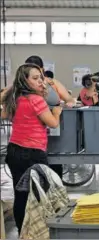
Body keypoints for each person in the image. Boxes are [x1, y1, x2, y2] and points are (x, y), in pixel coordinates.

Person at [1, 63, 62, 235]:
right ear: (24, 81)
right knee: (39, 196)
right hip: (33, 154)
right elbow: (53, 123)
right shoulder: (36, 100)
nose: (39, 82)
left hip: (14, 152)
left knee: (20, 195)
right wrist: (57, 112)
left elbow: (4, 114)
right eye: (35, 78)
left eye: (40, 78)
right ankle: (38, 233)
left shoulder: (15, 99)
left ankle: (23, 233)